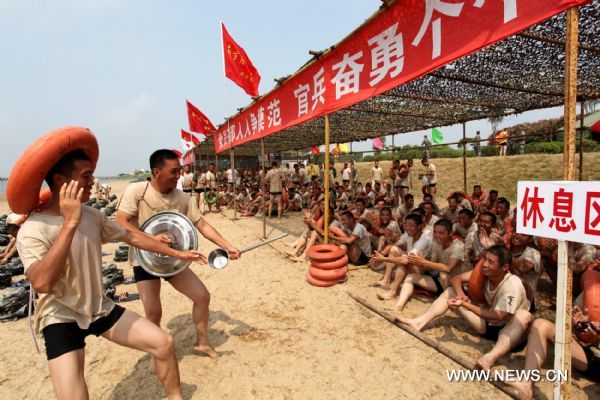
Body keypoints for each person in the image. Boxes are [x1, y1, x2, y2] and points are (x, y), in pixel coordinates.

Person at [18, 149, 204, 400]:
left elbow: (131, 236)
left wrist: (178, 254)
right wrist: (70, 223)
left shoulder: (91, 215)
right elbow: (41, 282)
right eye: (86, 176)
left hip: (100, 308)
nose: (92, 181)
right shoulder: (33, 228)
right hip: (60, 317)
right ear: (62, 181)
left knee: (164, 344)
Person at [116, 149, 241, 360]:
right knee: (154, 313)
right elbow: (121, 222)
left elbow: (201, 223)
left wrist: (227, 245)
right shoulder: (137, 191)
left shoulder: (182, 197)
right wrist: (151, 239)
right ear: (157, 171)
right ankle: (156, 352)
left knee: (202, 297)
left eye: (180, 171)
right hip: (145, 261)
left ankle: (202, 343)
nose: (178, 176)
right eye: (174, 172)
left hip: (174, 259)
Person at [397, 245, 533, 371]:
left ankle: (490, 358)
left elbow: (497, 317)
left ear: (505, 267)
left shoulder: (512, 285)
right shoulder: (484, 272)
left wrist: (464, 304)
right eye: (484, 259)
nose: (485, 264)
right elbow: (456, 279)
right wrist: (461, 294)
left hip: (509, 334)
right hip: (487, 326)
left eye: (491, 262)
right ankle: (418, 322)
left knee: (524, 315)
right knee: (451, 291)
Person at [506, 302, 600, 398]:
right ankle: (526, 384)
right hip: (593, 360)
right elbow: (592, 342)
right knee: (541, 325)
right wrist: (581, 328)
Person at [393, 219, 467, 312]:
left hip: (459, 287)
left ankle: (448, 302)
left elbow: (448, 268)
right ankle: (399, 306)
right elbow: (430, 266)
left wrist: (423, 262)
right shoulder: (437, 244)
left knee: (444, 274)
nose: (437, 236)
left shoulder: (458, 245)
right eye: (435, 232)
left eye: (441, 233)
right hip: (442, 283)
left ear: (451, 233)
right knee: (410, 277)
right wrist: (417, 261)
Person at [372, 213, 433, 299]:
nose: (407, 228)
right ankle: (386, 280)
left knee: (404, 262)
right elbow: (394, 246)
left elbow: (406, 260)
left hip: (425, 272)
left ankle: (393, 292)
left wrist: (384, 259)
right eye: (406, 225)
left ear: (419, 226)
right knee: (394, 249)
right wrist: (382, 252)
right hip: (413, 264)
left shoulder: (424, 240)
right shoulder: (408, 234)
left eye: (411, 225)